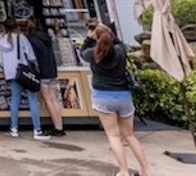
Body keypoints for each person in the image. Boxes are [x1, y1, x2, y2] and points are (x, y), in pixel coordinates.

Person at [81, 23, 152, 176]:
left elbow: (82, 52)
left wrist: (89, 37)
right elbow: (120, 43)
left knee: (113, 136)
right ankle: (146, 170)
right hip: (123, 96)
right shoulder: (120, 51)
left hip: (103, 97)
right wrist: (108, 31)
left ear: (97, 39)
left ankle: (124, 171)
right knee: (129, 135)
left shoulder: (93, 53)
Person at [0, 18, 48, 139]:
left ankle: (14, 128)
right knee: (32, 100)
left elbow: (0, 61)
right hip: (24, 72)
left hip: (11, 74)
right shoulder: (21, 38)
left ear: (4, 28)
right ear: (16, 26)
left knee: (14, 100)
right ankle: (37, 130)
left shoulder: (0, 42)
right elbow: (30, 55)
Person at [26, 18, 65, 137]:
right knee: (54, 99)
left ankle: (57, 128)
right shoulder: (47, 38)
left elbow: (33, 58)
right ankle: (60, 126)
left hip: (42, 72)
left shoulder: (31, 40)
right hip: (52, 70)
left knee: (48, 100)